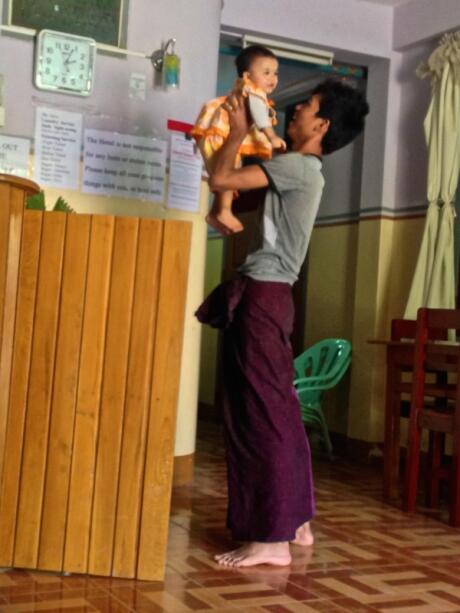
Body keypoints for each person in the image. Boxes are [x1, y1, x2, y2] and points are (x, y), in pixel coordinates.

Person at [195, 78, 369, 568]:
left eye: (307, 106)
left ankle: (270, 542)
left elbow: (222, 179)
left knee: (259, 417)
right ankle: (296, 521)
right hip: (271, 297)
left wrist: (237, 130)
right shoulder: (303, 170)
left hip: (264, 297)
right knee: (280, 413)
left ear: (321, 125)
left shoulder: (295, 166)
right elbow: (225, 180)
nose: (295, 110)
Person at [191, 45, 286, 236]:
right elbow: (260, 115)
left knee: (227, 173)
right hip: (219, 136)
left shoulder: (246, 91)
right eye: (266, 72)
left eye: (275, 73)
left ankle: (216, 212)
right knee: (228, 174)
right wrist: (272, 136)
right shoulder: (253, 92)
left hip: (217, 135)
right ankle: (223, 211)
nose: (272, 78)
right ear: (247, 76)